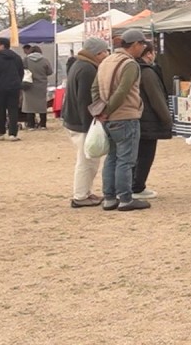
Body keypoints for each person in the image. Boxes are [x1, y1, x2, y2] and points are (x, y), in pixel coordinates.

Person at [92, 28, 151, 212]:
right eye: (142, 44)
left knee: (111, 158)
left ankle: (109, 198)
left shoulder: (106, 61)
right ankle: (125, 198)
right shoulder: (130, 64)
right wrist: (109, 109)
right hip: (125, 116)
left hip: (107, 119)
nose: (143, 47)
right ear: (135, 45)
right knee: (126, 160)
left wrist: (99, 110)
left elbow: (94, 88)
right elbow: (122, 91)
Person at [64, 38, 110, 207]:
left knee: (88, 160)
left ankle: (85, 193)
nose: (106, 55)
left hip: (74, 119)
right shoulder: (87, 70)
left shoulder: (79, 65)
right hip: (81, 122)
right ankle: (81, 195)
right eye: (105, 51)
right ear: (97, 53)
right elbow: (85, 100)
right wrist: (91, 123)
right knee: (86, 160)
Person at [134, 41, 173, 200]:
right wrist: (167, 119)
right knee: (145, 155)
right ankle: (137, 186)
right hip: (148, 120)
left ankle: (134, 185)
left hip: (137, 118)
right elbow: (156, 98)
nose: (151, 56)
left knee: (136, 155)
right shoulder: (148, 73)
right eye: (149, 53)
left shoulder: (132, 69)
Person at [0, 37, 25, 141]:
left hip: (0, 88)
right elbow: (21, 72)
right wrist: (17, 83)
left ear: (2, 45)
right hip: (14, 87)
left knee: (0, 110)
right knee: (13, 110)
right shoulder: (16, 57)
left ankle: (1, 132)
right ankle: (13, 134)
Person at [22, 44, 53, 130]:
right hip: (41, 85)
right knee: (42, 105)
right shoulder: (45, 60)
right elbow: (50, 72)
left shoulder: (26, 60)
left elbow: (21, 71)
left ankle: (31, 124)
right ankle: (43, 124)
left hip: (29, 85)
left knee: (29, 105)